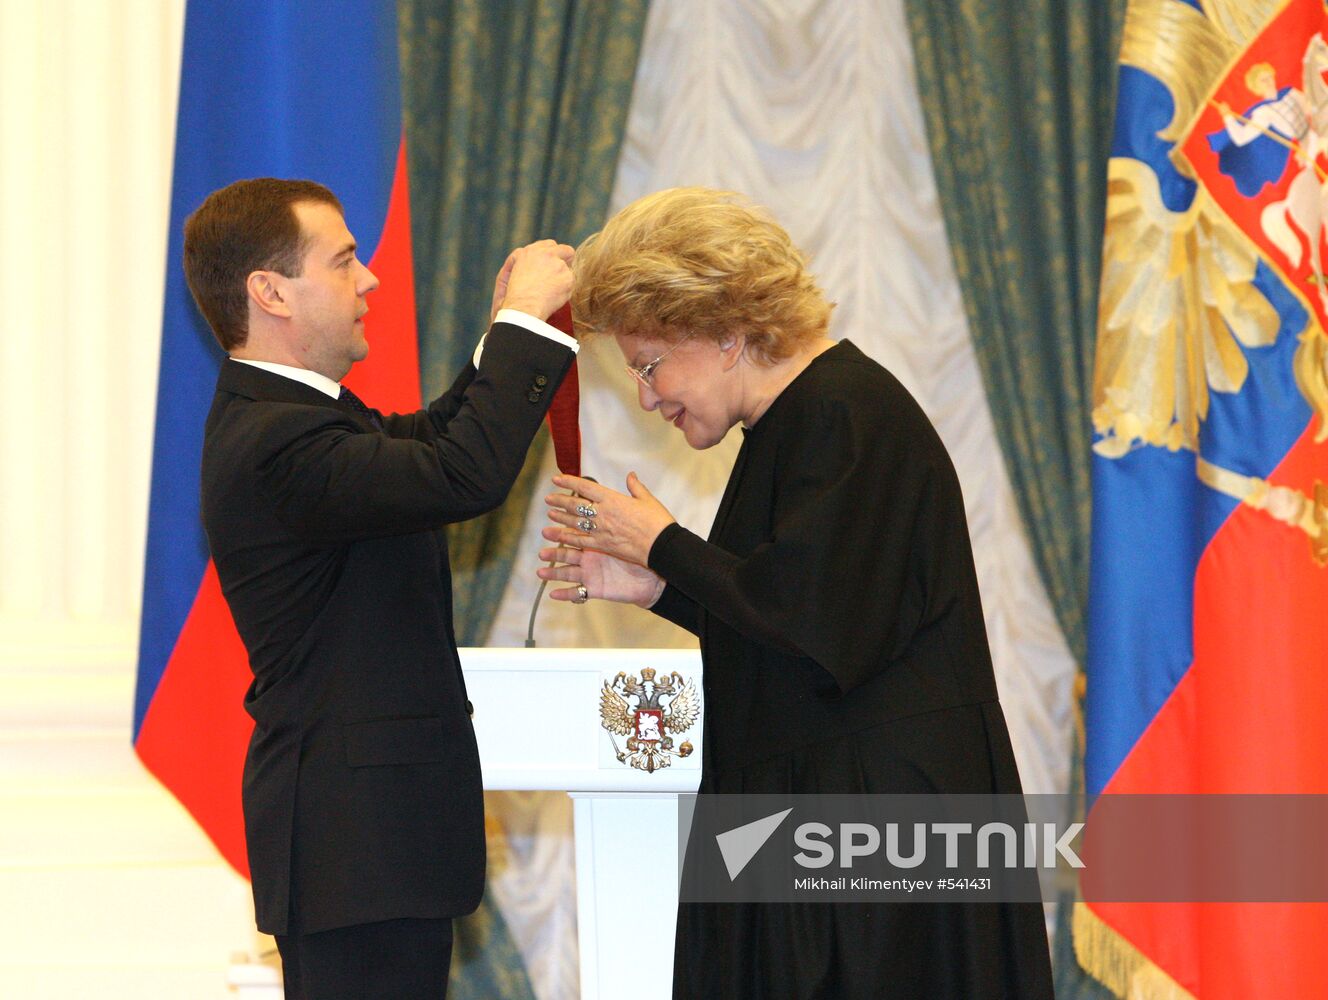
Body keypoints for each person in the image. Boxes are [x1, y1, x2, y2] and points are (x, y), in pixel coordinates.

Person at [537, 187, 1054, 999]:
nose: (645, 396)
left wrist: (667, 544)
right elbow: (793, 616)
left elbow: (817, 629)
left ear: (725, 333)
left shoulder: (842, 413)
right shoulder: (802, 421)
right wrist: (658, 585)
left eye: (648, 365)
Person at [186, 177, 577, 999]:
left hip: (365, 851)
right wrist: (525, 325)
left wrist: (503, 333)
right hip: (353, 851)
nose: (369, 281)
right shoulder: (277, 440)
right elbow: (459, 473)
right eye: (343, 260)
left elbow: (431, 443)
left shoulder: (296, 420)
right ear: (270, 292)